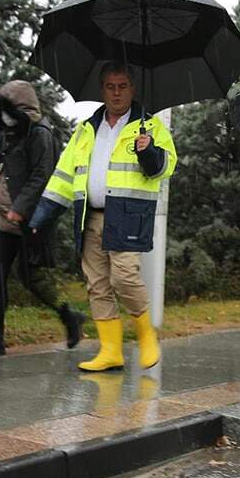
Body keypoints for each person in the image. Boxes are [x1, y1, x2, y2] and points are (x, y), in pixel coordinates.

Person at [29, 62, 177, 372]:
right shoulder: (86, 128)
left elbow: (165, 168)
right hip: (90, 217)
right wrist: (41, 215)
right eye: (111, 86)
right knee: (96, 284)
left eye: (123, 86)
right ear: (102, 90)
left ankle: (146, 334)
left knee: (123, 276)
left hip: (128, 216)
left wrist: (149, 151)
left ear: (132, 88)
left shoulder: (149, 126)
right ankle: (111, 350)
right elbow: (64, 174)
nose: (117, 92)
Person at [0, 81, 86, 358]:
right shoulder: (7, 134)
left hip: (30, 220)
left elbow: (42, 174)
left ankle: (69, 315)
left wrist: (21, 207)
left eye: (7, 109)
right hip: (1, 219)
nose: (3, 116)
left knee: (31, 277)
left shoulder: (41, 134)